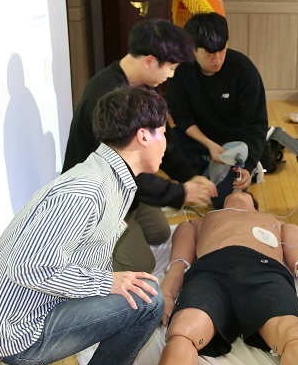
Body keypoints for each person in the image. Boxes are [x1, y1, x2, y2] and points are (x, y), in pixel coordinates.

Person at [0, 85, 171, 365]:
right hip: (20, 331)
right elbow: (28, 268)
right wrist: (107, 282)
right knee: (149, 301)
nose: (166, 143)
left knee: (138, 287)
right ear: (143, 136)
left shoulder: (108, 178)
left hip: (32, 310)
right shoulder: (88, 191)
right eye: (164, 133)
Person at [62, 19, 217, 274]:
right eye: (170, 68)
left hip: (127, 182)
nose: (171, 75)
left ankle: (128, 221)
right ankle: (89, 248)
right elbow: (122, 169)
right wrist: (179, 193)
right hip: (100, 197)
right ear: (150, 61)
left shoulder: (140, 85)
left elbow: (163, 142)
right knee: (142, 264)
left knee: (159, 232)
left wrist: (189, 177)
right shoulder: (107, 96)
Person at [158, 191, 298, 365]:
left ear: (255, 205)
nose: (237, 190)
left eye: (244, 191)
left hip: (264, 270)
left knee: (294, 337)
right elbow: (178, 263)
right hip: (211, 271)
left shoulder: (280, 224)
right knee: (181, 333)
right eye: (232, 190)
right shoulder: (197, 222)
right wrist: (166, 294)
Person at [166, 12, 268, 209]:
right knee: (169, 141)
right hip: (201, 139)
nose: (217, 59)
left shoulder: (243, 69)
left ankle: (247, 168)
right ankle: (205, 170)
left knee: (222, 202)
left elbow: (256, 124)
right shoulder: (182, 70)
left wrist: (247, 166)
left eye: (221, 50)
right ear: (192, 50)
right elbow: (180, 116)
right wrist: (209, 144)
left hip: (235, 145)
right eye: (209, 53)